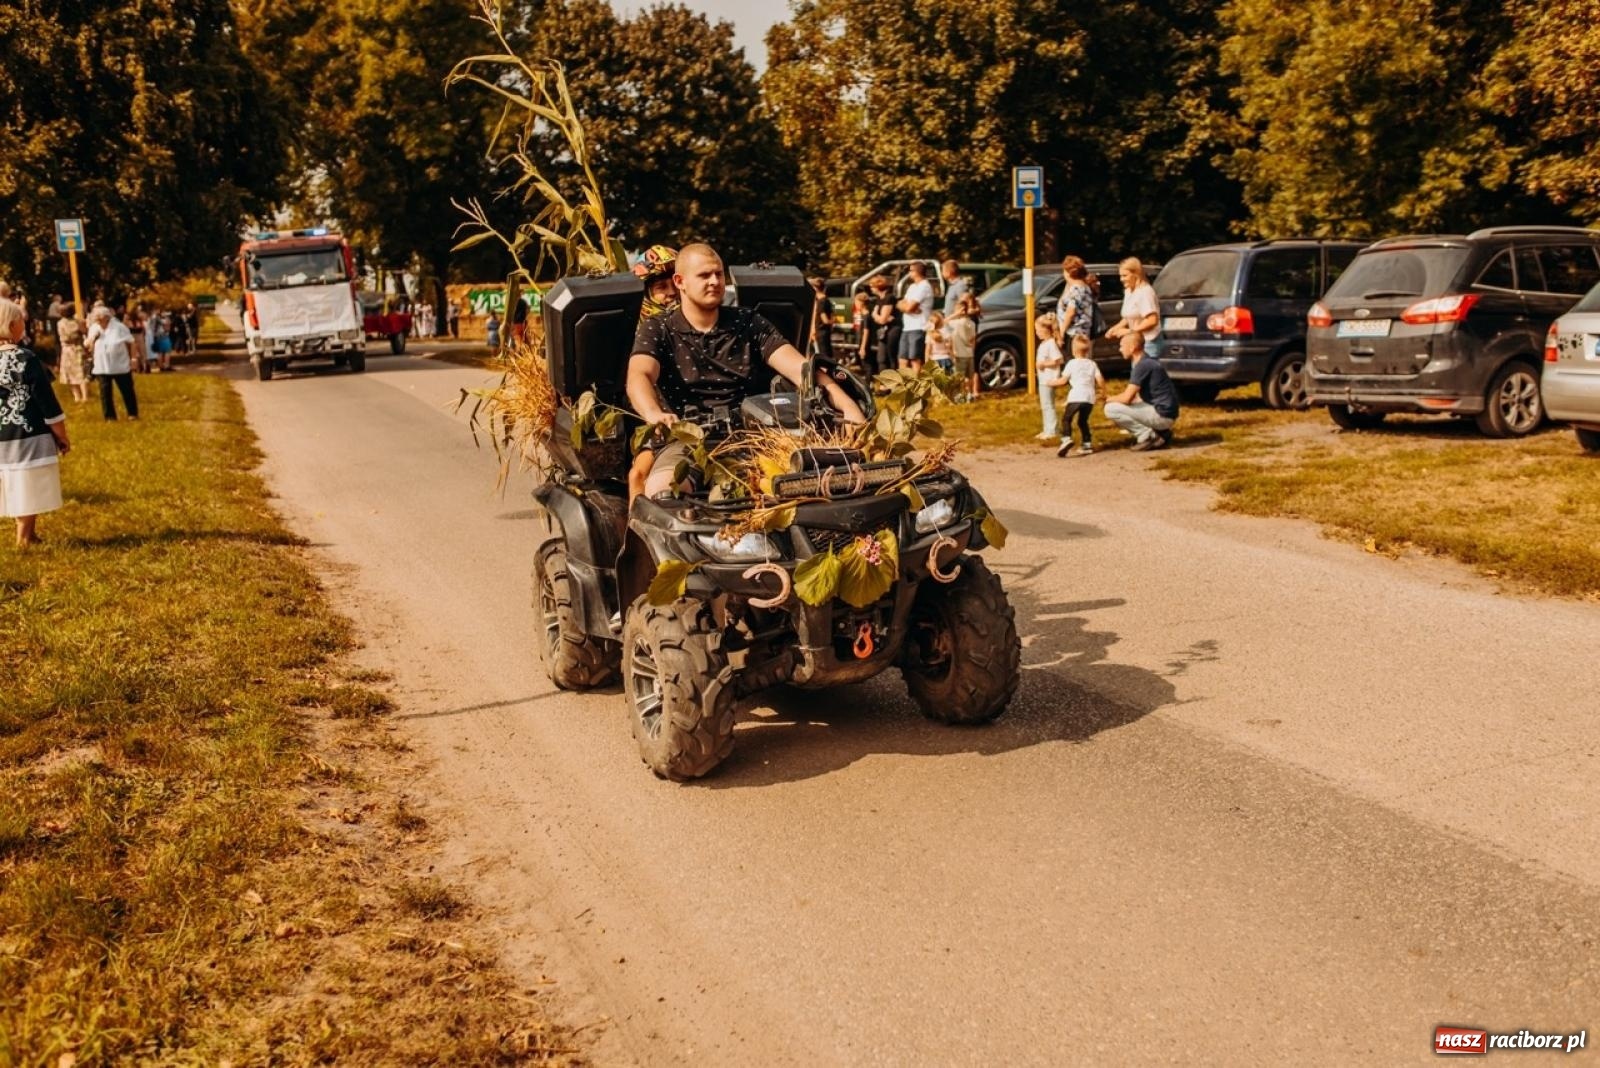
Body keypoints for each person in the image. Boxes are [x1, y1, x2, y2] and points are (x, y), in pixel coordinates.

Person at [626, 243, 866, 498]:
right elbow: (639, 375)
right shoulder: (657, 328)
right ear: (681, 281)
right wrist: (654, 414)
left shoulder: (748, 321)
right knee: (661, 492)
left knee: (815, 484)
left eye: (718, 274)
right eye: (704, 275)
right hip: (689, 441)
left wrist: (848, 406)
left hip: (756, 438)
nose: (714, 281)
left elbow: (802, 369)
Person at [0, 299, 70, 548]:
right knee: (28, 483)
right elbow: (45, 400)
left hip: (2, 434)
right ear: (10, 324)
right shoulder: (25, 358)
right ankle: (23, 538)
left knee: (15, 482)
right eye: (21, 320)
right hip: (28, 432)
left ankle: (29, 534)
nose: (25, 323)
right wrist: (61, 434)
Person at [1104, 331, 1179, 450]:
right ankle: (1162, 433)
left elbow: (1127, 398)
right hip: (1167, 413)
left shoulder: (1142, 366)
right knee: (1125, 405)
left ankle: (1148, 436)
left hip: (1162, 415)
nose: (1120, 349)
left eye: (1122, 346)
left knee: (1111, 408)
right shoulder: (1147, 362)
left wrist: (1108, 399)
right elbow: (1135, 397)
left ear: (1132, 347)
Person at [1054, 335, 1105, 457]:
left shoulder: (1071, 363)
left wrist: (1050, 382)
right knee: (1083, 421)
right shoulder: (1092, 364)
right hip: (1089, 398)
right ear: (1088, 350)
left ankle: (1066, 439)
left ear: (1073, 350)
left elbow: (1063, 381)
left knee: (1067, 418)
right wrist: (1104, 392)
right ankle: (1086, 444)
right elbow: (1100, 379)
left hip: (1076, 396)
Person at [1105, 257, 1161, 360]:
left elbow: (1152, 320)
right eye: (1120, 276)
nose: (1121, 279)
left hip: (1148, 342)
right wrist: (1115, 328)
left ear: (1136, 273)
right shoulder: (1128, 291)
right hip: (1136, 341)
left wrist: (1130, 331)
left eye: (1125, 276)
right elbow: (1128, 317)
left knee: (1144, 372)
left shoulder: (1144, 292)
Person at [90, 307, 139, 420]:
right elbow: (89, 344)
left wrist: (134, 359)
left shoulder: (119, 327)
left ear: (106, 318)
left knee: (127, 390)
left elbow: (131, 342)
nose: (97, 320)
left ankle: (132, 413)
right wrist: (90, 342)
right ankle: (109, 416)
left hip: (120, 365)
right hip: (102, 366)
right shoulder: (93, 328)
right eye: (96, 318)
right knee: (105, 392)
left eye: (99, 318)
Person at [896, 261, 934, 372]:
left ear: (917, 272)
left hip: (918, 327)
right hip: (907, 327)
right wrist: (906, 306)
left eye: (911, 270)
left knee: (915, 360)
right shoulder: (912, 286)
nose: (909, 273)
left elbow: (909, 307)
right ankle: (903, 386)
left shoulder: (924, 286)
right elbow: (901, 303)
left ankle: (916, 387)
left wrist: (907, 307)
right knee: (902, 359)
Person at [1033, 313, 1064, 441]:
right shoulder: (1044, 344)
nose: (1036, 333)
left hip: (1049, 380)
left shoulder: (1051, 344)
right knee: (1045, 405)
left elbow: (1059, 360)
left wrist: (1044, 364)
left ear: (1046, 330)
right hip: (1043, 380)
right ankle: (1047, 429)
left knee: (1048, 405)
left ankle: (1052, 430)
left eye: (1038, 330)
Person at [948, 292, 979, 402]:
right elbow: (973, 340)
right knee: (969, 376)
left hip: (959, 354)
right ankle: (970, 394)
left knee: (959, 377)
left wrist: (955, 314)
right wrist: (972, 351)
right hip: (969, 353)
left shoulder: (957, 323)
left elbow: (944, 321)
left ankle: (960, 396)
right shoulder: (972, 323)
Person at [55, 310, 90, 404]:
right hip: (72, 348)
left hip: (71, 349)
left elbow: (84, 331)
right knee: (75, 373)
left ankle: (81, 396)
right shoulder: (71, 322)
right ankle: (79, 396)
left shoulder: (65, 322)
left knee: (79, 372)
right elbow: (83, 332)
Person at [869, 274, 900, 377]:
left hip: (892, 330)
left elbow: (882, 319)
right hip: (883, 331)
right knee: (881, 358)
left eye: (872, 286)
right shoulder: (879, 299)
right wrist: (878, 316)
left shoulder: (889, 297)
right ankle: (884, 383)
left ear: (877, 287)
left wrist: (876, 315)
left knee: (891, 357)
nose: (871, 289)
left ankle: (894, 383)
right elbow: (878, 316)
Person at [808, 276, 834, 362]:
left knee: (823, 357)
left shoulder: (821, 301)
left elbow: (825, 320)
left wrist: (831, 321)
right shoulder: (825, 300)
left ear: (815, 288)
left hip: (821, 332)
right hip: (823, 332)